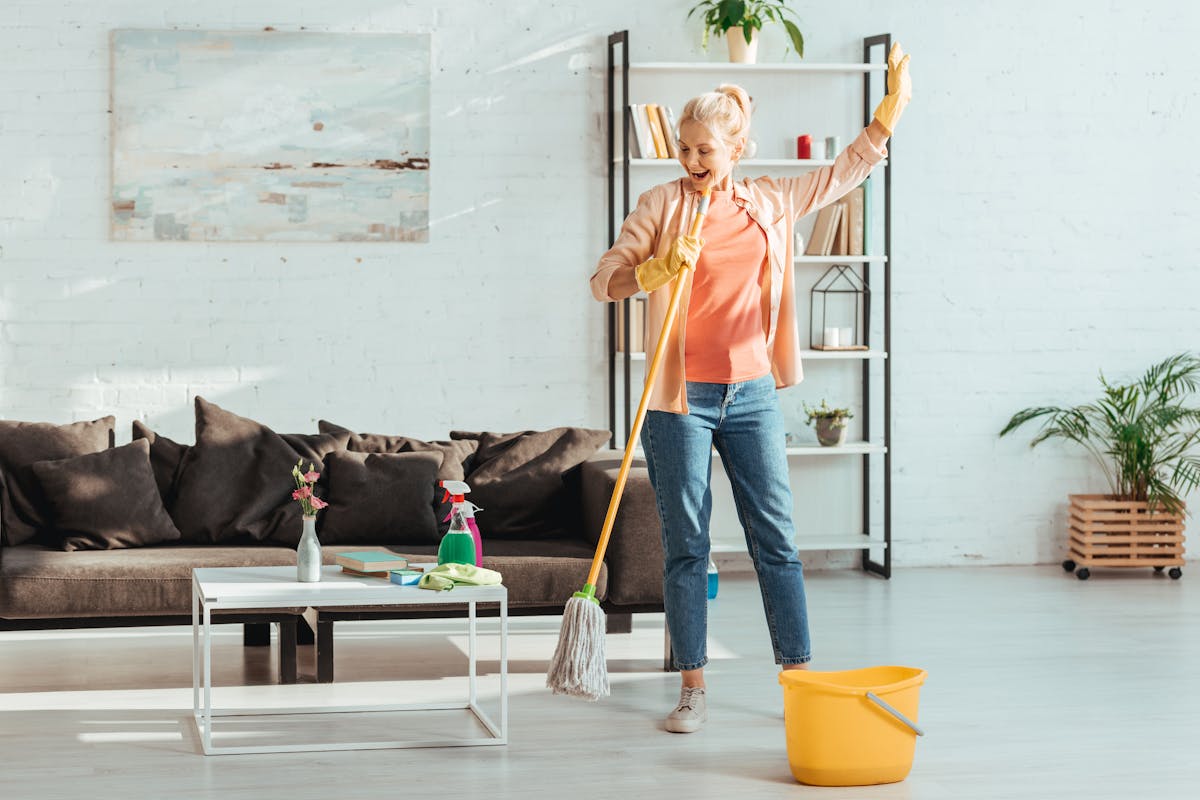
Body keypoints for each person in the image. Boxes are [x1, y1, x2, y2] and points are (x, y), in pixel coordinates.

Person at [589, 44, 912, 733]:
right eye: (684, 148)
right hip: (681, 401)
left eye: (706, 148)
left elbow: (841, 174)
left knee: (776, 540)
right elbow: (604, 278)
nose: (692, 161)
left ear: (737, 147)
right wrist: (649, 273)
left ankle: (797, 679)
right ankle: (693, 688)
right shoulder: (659, 205)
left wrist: (887, 116)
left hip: (753, 395)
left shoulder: (769, 200)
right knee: (687, 545)